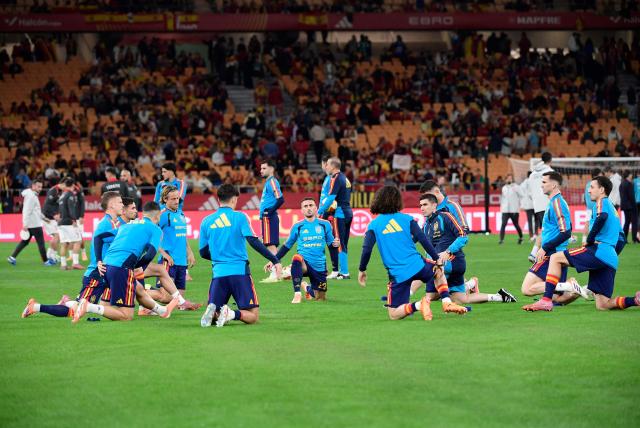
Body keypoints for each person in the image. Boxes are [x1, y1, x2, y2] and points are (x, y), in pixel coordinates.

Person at [523, 176, 639, 311]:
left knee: (556, 257)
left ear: (602, 190)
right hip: (610, 258)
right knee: (603, 304)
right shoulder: (613, 210)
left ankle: (546, 300)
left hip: (599, 250)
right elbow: (622, 239)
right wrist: (611, 254)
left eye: (592, 187)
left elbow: (602, 217)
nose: (589, 191)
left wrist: (590, 240)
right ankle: (635, 300)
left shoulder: (602, 202)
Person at [358, 186, 467, 321]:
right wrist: (436, 258)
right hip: (418, 265)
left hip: (398, 274)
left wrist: (362, 269)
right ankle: (447, 302)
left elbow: (367, 249)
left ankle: (418, 305)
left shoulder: (374, 225)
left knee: (394, 314)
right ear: (397, 201)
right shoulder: (407, 219)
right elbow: (423, 239)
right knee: (438, 271)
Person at [22, 192, 125, 318]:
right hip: (96, 274)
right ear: (112, 205)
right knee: (76, 310)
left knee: (109, 304)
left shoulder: (112, 223)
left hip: (105, 272)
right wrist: (99, 261)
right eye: (120, 202)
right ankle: (36, 307)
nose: (122, 205)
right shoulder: (105, 224)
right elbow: (98, 240)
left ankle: (67, 302)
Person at [72, 201, 179, 322]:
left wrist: (99, 261)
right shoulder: (155, 229)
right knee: (126, 315)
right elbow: (150, 255)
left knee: (138, 289)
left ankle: (163, 311)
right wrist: (136, 267)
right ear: (158, 216)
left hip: (106, 266)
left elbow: (98, 237)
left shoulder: (127, 225)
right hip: (121, 268)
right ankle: (88, 307)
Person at [199, 184, 283, 328]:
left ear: (218, 199)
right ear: (234, 199)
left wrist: (219, 258)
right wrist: (274, 259)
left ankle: (214, 313)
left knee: (215, 309)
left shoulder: (206, 221)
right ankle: (231, 314)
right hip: (239, 272)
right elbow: (252, 240)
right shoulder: (240, 217)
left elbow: (203, 252)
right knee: (253, 316)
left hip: (218, 273)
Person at [416, 193, 517, 304]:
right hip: (442, 264)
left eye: (425, 205)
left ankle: (403, 299)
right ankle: (499, 297)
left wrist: (448, 251)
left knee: (429, 291)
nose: (422, 208)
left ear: (434, 205)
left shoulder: (445, 217)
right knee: (460, 299)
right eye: (420, 205)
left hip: (452, 262)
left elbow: (463, 236)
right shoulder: (426, 225)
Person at [520, 172, 584, 304]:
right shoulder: (555, 202)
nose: (541, 185)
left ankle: (568, 285)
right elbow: (568, 227)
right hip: (556, 253)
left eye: (544, 182)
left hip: (551, 254)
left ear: (554, 185)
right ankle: (569, 287)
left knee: (526, 289)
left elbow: (566, 232)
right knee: (556, 300)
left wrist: (544, 248)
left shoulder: (557, 203)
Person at [269, 197, 339, 304]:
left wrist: (335, 245)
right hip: (304, 263)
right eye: (305, 206)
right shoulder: (298, 226)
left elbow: (332, 245)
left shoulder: (325, 225)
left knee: (320, 298)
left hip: (319, 266)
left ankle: (306, 288)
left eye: (311, 205)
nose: (308, 208)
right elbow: (286, 246)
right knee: (296, 258)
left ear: (316, 208)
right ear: (302, 210)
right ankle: (297, 293)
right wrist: (274, 260)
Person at [145, 186, 199, 308]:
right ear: (165, 199)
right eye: (173, 199)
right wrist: (164, 254)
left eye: (177, 198)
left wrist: (189, 252)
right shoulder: (163, 215)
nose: (176, 201)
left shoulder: (181, 213)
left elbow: (182, 236)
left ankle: (148, 305)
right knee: (166, 297)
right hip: (168, 261)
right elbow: (150, 235)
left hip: (181, 261)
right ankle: (140, 292)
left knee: (179, 299)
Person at [419, 179, 477, 292]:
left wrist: (449, 250)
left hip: (450, 253)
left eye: (427, 196)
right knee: (445, 292)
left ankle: (403, 298)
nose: (425, 201)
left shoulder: (452, 207)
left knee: (440, 290)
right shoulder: (430, 210)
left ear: (436, 192)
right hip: (437, 256)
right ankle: (470, 284)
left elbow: (464, 230)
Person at [7, 178, 56, 266]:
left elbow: (35, 211)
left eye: (41, 187)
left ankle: (12, 257)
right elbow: (26, 211)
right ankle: (46, 261)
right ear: (33, 186)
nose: (40, 189)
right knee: (41, 243)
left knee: (24, 241)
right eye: (38, 186)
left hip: (31, 223)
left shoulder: (31, 194)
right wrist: (25, 224)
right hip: (35, 224)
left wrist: (44, 218)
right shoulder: (31, 196)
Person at [318, 157, 352, 279]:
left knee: (339, 242)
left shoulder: (335, 178)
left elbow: (331, 198)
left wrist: (320, 211)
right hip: (348, 211)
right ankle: (343, 270)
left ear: (332, 166)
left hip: (340, 213)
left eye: (327, 165)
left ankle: (344, 272)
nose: (326, 167)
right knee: (344, 243)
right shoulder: (345, 178)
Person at [258, 159, 284, 281]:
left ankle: (275, 272)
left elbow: (280, 199)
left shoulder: (272, 181)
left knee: (270, 245)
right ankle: (278, 272)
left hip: (269, 217)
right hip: (267, 217)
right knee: (271, 245)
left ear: (271, 169)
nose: (261, 170)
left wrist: (269, 211)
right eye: (261, 168)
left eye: (264, 168)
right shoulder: (269, 183)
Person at [527, 152, 554, 262]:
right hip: (548, 203)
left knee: (546, 229)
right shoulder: (550, 172)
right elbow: (555, 187)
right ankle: (538, 253)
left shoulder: (532, 174)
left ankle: (535, 252)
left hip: (537, 205)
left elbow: (529, 192)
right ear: (550, 160)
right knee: (550, 229)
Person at [319, 155, 339, 278]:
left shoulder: (331, 179)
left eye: (324, 164)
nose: (323, 166)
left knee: (330, 241)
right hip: (323, 213)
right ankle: (324, 269)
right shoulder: (327, 178)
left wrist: (324, 212)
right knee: (322, 240)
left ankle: (336, 270)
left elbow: (331, 198)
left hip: (328, 213)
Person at [57, 177, 83, 271]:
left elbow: (60, 209)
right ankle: (75, 263)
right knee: (78, 241)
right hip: (68, 222)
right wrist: (74, 220)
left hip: (61, 222)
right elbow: (71, 209)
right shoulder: (70, 195)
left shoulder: (62, 195)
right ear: (72, 185)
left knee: (64, 244)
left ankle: (63, 265)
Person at [42, 177, 62, 262]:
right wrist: (53, 215)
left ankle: (50, 254)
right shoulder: (53, 191)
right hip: (48, 218)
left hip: (53, 218)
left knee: (57, 237)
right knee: (57, 236)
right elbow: (47, 206)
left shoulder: (60, 191)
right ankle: (52, 256)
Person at [499, 174, 523, 244]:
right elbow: (503, 199)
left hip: (514, 210)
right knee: (503, 224)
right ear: (506, 179)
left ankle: (521, 237)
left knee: (516, 224)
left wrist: (519, 205)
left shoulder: (516, 187)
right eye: (508, 178)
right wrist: (502, 208)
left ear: (512, 179)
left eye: (510, 178)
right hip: (505, 210)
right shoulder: (504, 188)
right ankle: (501, 240)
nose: (509, 179)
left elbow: (522, 195)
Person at [582, 168, 602, 245]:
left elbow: (585, 196)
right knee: (596, 223)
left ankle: (584, 240)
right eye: (600, 174)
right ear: (596, 175)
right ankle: (596, 240)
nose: (601, 175)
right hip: (595, 207)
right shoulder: (596, 184)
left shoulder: (588, 184)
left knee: (587, 223)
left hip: (589, 207)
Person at [620, 171, 638, 243]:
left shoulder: (621, 184)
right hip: (630, 206)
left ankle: (624, 239)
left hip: (624, 206)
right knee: (634, 222)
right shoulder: (629, 184)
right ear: (628, 175)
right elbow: (631, 196)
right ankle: (634, 239)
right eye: (630, 174)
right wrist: (634, 206)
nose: (631, 175)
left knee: (627, 223)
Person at [519, 171, 535, 241]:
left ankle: (531, 236)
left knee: (530, 221)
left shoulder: (524, 183)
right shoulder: (534, 182)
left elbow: (521, 190)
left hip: (528, 205)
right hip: (535, 205)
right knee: (536, 220)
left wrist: (522, 203)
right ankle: (535, 235)